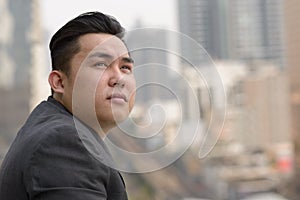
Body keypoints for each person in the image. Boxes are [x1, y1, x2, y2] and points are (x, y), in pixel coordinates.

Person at [0, 11, 136, 200]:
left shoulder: (52, 129)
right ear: (59, 83)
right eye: (101, 64)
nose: (119, 78)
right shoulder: (65, 142)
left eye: (125, 68)